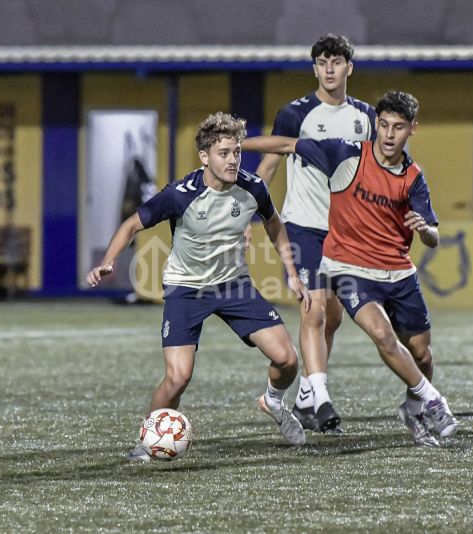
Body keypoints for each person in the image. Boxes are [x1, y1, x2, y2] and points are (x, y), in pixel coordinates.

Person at [86, 112, 312, 461]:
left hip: (234, 285)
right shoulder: (180, 194)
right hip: (186, 289)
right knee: (178, 379)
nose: (233, 159)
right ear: (205, 156)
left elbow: (274, 225)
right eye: (224, 153)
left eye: (237, 151)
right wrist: (108, 261)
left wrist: (292, 274)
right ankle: (147, 443)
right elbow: (132, 224)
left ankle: (273, 401)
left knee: (287, 360)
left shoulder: (252, 187)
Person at [244, 91, 458, 447]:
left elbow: (434, 236)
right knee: (381, 334)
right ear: (376, 124)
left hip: (398, 272)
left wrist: (426, 231)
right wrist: (239, 142)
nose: (389, 134)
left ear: (412, 130)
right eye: (384, 125)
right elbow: (286, 144)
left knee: (421, 353)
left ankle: (414, 406)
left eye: (399, 127)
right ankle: (434, 401)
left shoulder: (413, 177)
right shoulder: (345, 152)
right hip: (351, 269)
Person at [253, 34, 376, 434]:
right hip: (303, 227)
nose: (329, 67)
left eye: (336, 61)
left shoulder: (366, 117)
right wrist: (240, 215)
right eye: (322, 61)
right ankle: (322, 399)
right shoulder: (295, 113)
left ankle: (307, 392)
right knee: (315, 309)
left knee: (334, 316)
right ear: (314, 68)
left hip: (347, 231)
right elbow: (268, 168)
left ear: (349, 68)